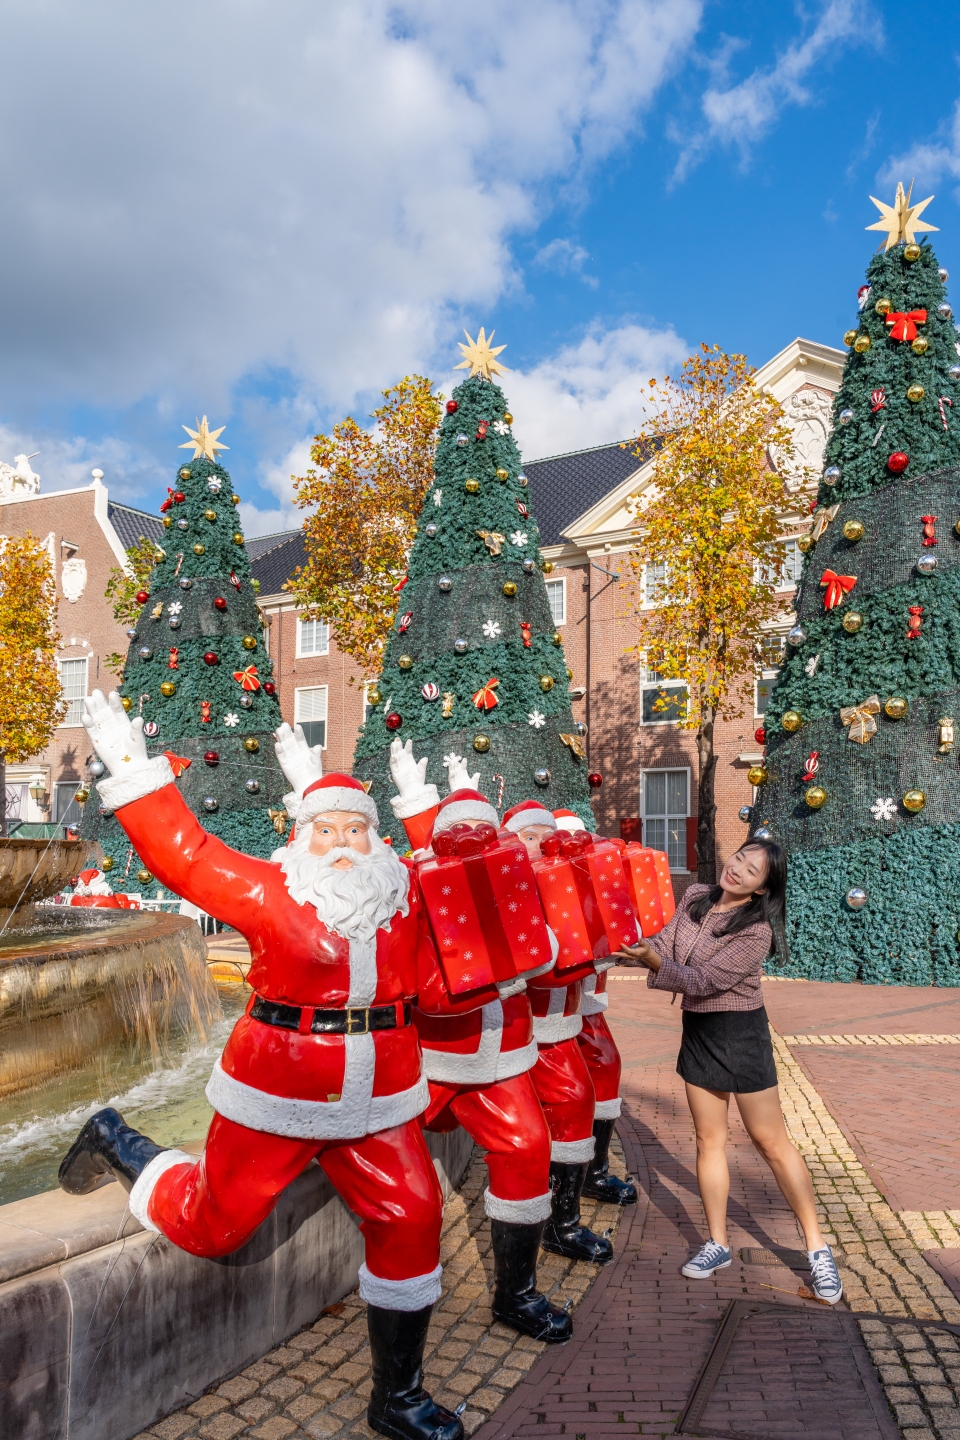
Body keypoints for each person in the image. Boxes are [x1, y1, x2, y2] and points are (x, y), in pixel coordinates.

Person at [58, 697, 463, 1440]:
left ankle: (398, 1398)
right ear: (302, 835)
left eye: (355, 827)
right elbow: (183, 853)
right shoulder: (269, 889)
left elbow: (459, 902)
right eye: (327, 828)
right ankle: (117, 1138)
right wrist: (132, 768)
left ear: (377, 838)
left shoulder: (405, 896)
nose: (343, 841)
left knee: (413, 1217)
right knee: (216, 1226)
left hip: (378, 1101)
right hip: (277, 1093)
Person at [387, 742, 572, 1341]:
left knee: (525, 1148)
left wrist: (530, 954)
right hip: (431, 1060)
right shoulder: (417, 886)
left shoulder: (521, 884)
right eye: (458, 831)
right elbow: (416, 980)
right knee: (382, 1158)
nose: (471, 840)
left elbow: (555, 949)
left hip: (501, 1062)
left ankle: (516, 1292)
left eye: (481, 832)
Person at [616, 839, 842, 1305]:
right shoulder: (695, 896)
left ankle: (818, 1249)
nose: (737, 869)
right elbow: (667, 940)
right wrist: (640, 950)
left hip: (740, 1034)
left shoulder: (757, 931)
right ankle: (717, 1243)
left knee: (770, 1142)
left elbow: (705, 981)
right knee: (708, 1140)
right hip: (699, 1030)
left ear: (762, 889)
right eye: (739, 857)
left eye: (752, 870)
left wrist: (656, 965)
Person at [504, 800, 616, 1265]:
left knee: (575, 1102)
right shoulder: (504, 888)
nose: (541, 844)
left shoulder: (567, 886)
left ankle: (563, 1221)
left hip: (557, 1028)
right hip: (511, 1033)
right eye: (528, 836)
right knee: (524, 1132)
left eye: (543, 836)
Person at [553, 809, 637, 1207]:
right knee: (571, 1092)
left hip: (584, 1003)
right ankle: (564, 1191)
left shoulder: (592, 880)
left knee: (606, 1064)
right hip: (551, 1014)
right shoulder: (545, 882)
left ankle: (595, 1170)